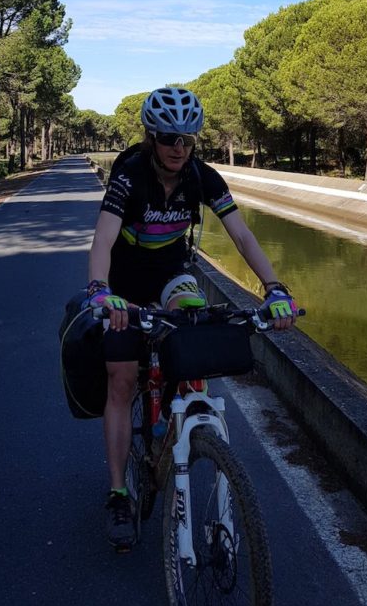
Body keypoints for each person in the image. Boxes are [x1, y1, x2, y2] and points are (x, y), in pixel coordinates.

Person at [84, 86, 297, 551]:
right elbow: (102, 240)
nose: (178, 147)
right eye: (167, 137)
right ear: (151, 136)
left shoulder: (203, 178)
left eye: (187, 138)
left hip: (171, 275)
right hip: (123, 282)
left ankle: (186, 411)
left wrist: (274, 288)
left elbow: (241, 234)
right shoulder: (130, 174)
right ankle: (119, 492)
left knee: (194, 323)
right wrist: (101, 292)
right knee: (121, 378)